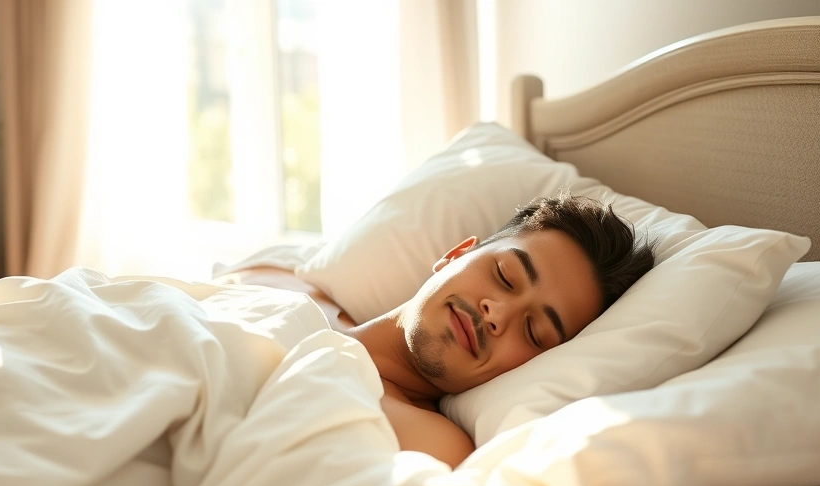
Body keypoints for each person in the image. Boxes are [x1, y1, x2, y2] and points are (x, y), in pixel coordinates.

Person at [217, 194, 655, 467]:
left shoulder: (429, 443)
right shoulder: (293, 293)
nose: (496, 314)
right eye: (504, 275)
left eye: (535, 332)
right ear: (456, 253)